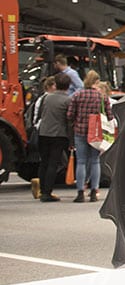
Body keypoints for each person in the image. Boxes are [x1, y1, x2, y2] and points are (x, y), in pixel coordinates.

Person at [66, 70, 112, 203]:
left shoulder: (77, 95)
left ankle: (80, 191)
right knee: (95, 161)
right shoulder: (102, 97)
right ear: (96, 82)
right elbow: (109, 115)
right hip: (96, 133)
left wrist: (78, 120)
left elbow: (69, 115)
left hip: (80, 131)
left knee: (81, 161)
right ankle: (93, 191)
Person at [35, 74, 72, 202]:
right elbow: (69, 120)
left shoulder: (46, 98)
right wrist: (71, 139)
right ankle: (47, 192)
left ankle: (41, 190)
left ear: (55, 84)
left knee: (44, 162)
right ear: (69, 86)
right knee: (53, 163)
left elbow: (40, 115)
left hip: (43, 132)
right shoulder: (68, 100)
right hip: (58, 134)